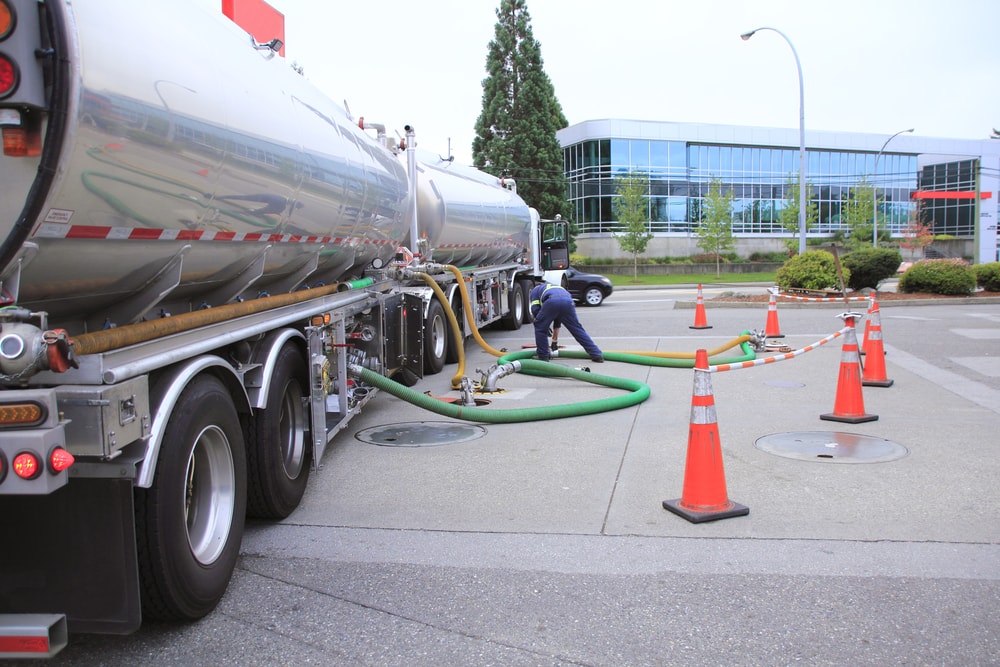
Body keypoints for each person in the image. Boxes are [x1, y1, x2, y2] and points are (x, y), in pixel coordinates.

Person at [529, 280, 603, 362]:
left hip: (552, 301)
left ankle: (543, 356)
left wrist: (543, 325)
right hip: (568, 301)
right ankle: (596, 354)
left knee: (539, 327)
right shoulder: (555, 286)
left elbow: (535, 309)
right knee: (577, 329)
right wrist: (554, 341)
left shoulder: (535, 290)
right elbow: (558, 320)